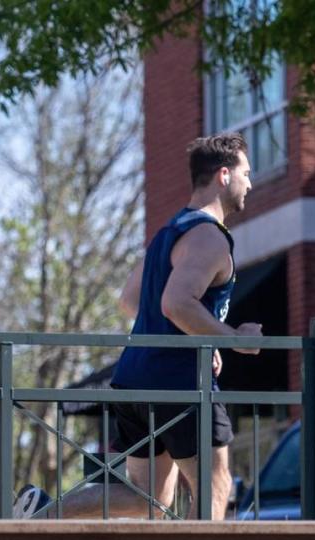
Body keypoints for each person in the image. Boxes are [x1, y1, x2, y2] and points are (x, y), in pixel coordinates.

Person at [13, 133, 262, 520]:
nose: (252, 182)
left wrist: (201, 335)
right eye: (247, 173)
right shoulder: (209, 238)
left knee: (147, 499)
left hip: (133, 377)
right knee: (215, 484)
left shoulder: (170, 231)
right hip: (179, 385)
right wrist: (232, 339)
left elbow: (131, 299)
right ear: (224, 175)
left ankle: (42, 517)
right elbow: (176, 303)